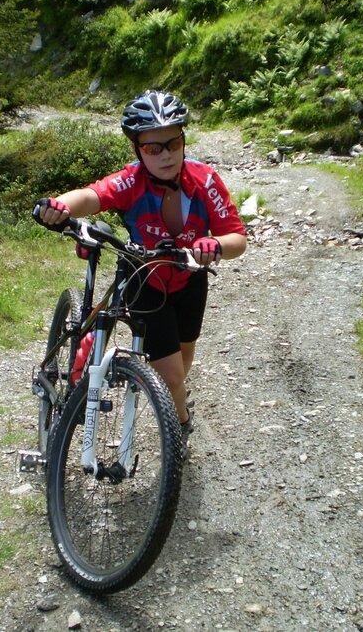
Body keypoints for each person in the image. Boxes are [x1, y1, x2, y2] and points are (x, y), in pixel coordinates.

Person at [35, 89, 247, 448]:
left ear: (183, 140)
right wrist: (60, 206)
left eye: (173, 143)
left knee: (183, 359)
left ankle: (175, 401)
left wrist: (215, 246)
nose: (166, 155)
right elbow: (91, 196)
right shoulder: (131, 182)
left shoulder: (206, 180)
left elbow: (237, 239)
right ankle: (181, 426)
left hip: (190, 278)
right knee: (172, 377)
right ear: (137, 150)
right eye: (153, 148)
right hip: (144, 279)